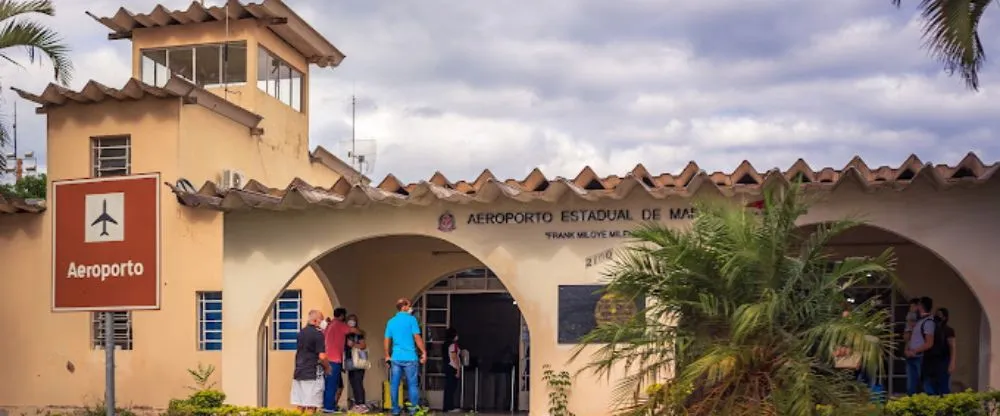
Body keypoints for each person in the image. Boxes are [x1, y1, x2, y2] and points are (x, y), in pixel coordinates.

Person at [384, 298, 426, 416]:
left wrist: (387, 354)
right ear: (404, 307)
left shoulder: (391, 321)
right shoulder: (412, 320)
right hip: (410, 357)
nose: (410, 308)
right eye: (409, 305)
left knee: (394, 384)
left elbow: (387, 339)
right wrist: (423, 351)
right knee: (412, 384)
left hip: (396, 357)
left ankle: (395, 409)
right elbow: (417, 337)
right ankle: (413, 409)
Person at [291, 310, 331, 414]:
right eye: (321, 320)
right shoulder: (318, 335)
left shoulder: (301, 333)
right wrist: (327, 367)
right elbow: (322, 356)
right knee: (311, 405)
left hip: (299, 372)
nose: (323, 322)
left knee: (300, 405)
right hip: (312, 373)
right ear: (316, 320)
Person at [904, 296, 935, 395]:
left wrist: (915, 351)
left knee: (926, 385)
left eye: (917, 306)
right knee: (910, 386)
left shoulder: (928, 322)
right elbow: (908, 338)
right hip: (912, 357)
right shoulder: (917, 322)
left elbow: (929, 343)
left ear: (921, 306)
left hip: (921, 357)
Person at [323, 307, 351, 413]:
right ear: (342, 316)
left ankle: (328, 405)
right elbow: (350, 330)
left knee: (330, 384)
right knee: (332, 384)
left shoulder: (329, 325)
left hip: (326, 358)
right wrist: (360, 330)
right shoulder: (340, 325)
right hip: (335, 359)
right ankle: (329, 407)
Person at [923, 308, 956, 395]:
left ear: (945, 317)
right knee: (930, 384)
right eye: (936, 315)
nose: (937, 317)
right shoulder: (930, 330)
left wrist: (952, 363)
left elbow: (952, 346)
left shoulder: (948, 330)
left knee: (943, 385)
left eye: (940, 315)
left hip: (943, 360)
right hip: (930, 361)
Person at [344, 313, 368, 411]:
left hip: (358, 361)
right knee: (353, 382)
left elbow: (363, 346)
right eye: (350, 320)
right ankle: (358, 404)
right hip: (350, 361)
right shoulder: (346, 333)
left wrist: (353, 344)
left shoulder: (359, 334)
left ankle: (361, 404)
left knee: (358, 382)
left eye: (353, 320)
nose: (351, 322)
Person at [441, 328, 462, 413]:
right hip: (452, 367)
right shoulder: (453, 345)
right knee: (451, 388)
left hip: (447, 367)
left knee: (448, 388)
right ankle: (450, 407)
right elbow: (454, 357)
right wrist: (458, 370)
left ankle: (447, 407)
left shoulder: (445, 344)